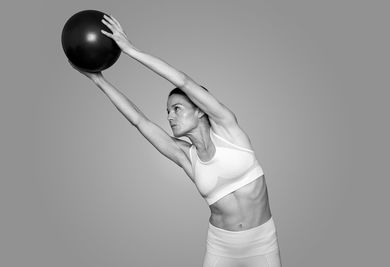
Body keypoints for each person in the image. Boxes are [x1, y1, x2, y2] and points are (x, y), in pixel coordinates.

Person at [71, 14, 282, 267]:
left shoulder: (229, 129)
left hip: (261, 243)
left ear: (200, 110)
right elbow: (140, 121)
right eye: (168, 111)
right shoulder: (186, 156)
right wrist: (99, 81)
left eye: (177, 108)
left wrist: (130, 50)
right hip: (221, 245)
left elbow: (181, 80)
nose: (170, 116)